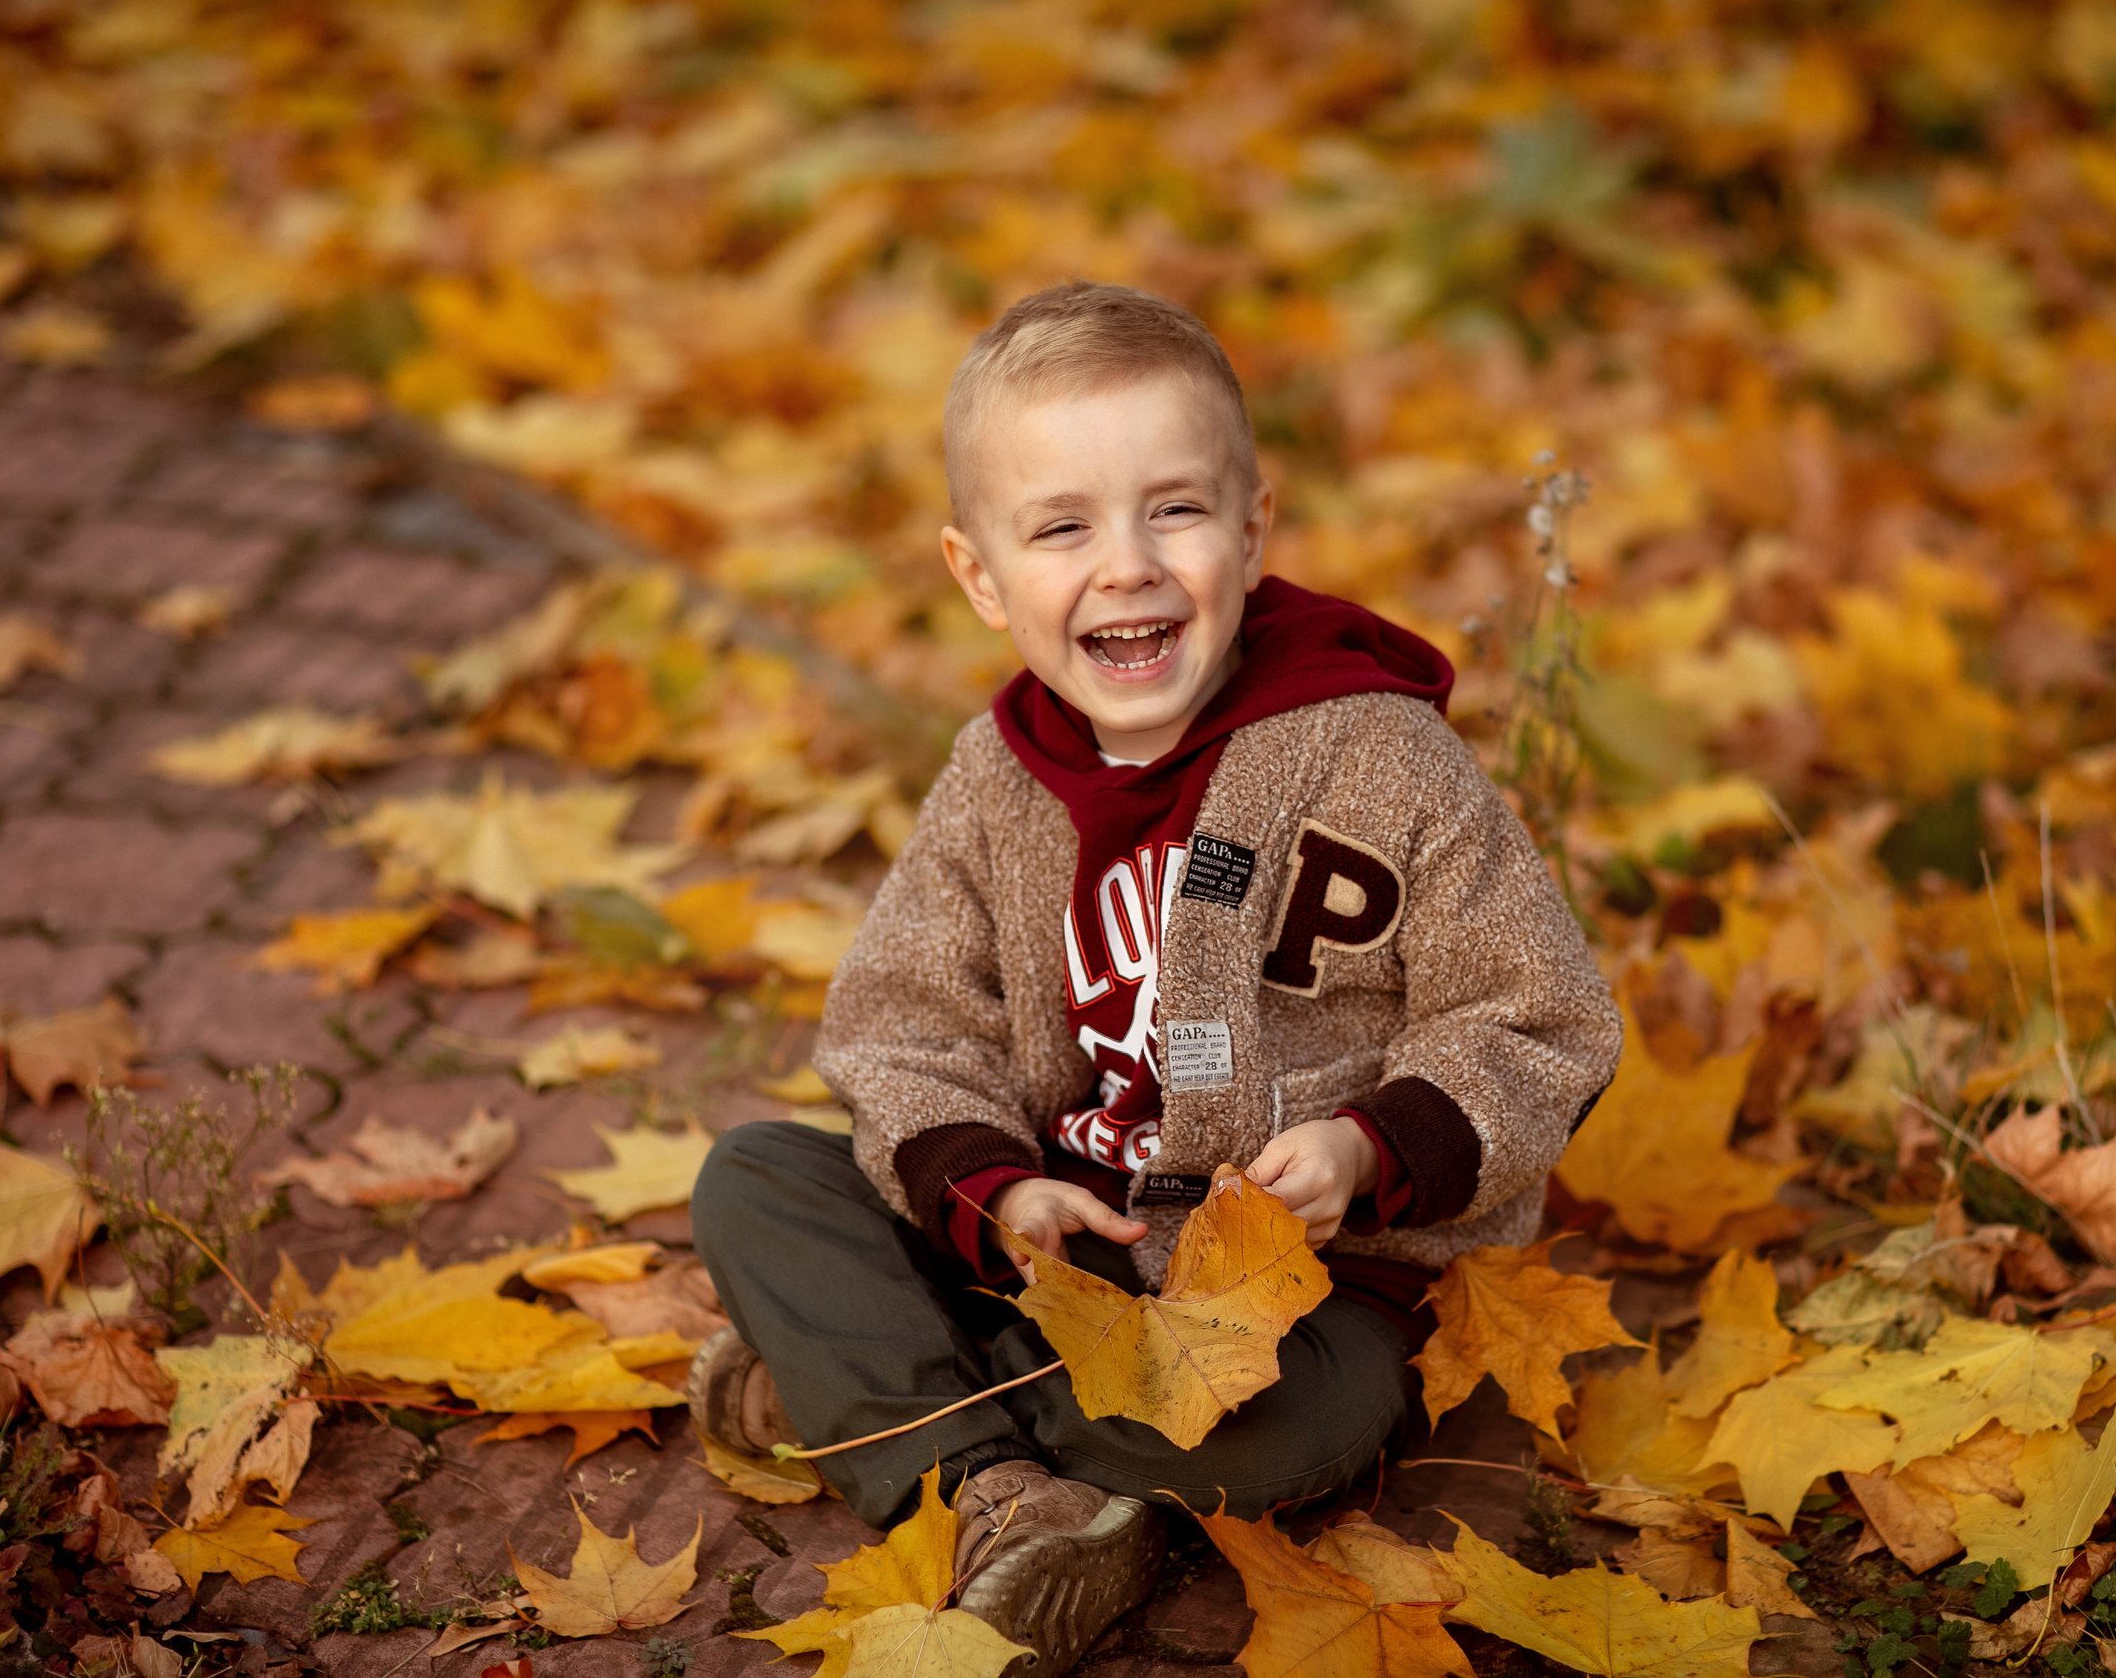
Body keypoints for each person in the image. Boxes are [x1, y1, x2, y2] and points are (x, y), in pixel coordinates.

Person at [689, 280, 1621, 1674]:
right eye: (1063, 528)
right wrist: (1003, 1190)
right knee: (756, 1178)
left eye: (1173, 511)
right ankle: (1007, 1491)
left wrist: (1369, 1151)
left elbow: (1541, 1009)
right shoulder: (993, 783)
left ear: (1254, 530)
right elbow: (903, 1022)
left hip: (1304, 1292)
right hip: (1063, 1257)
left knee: (1300, 1433)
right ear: (981, 575)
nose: (1126, 566)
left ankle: (885, 1408)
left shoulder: (1379, 759)